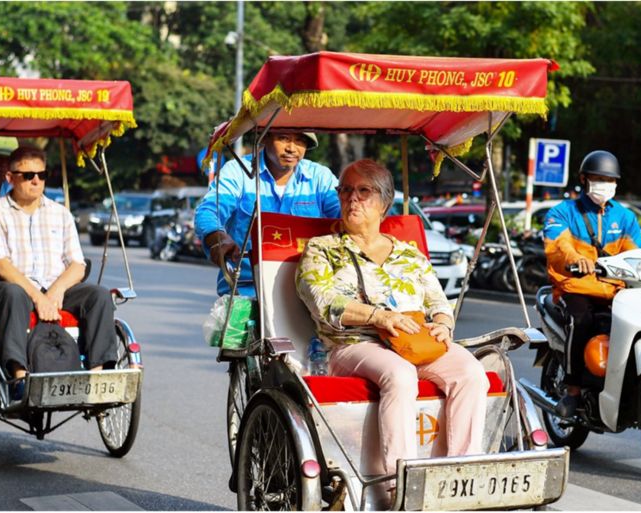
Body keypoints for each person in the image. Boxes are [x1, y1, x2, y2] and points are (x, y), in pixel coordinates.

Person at [296, 159, 488, 483]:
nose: (351, 198)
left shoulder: (410, 254)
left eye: (363, 191)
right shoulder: (322, 249)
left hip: (414, 341)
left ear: (384, 202)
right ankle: (399, 485)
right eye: (345, 190)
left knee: (472, 373)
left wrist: (443, 323)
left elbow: (439, 302)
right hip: (355, 344)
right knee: (400, 375)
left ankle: (458, 478)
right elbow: (323, 302)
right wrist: (380, 316)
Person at [0, 146, 116, 397]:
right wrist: (38, 297)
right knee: (14, 294)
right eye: (28, 175)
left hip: (54, 286)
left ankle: (97, 378)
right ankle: (19, 378)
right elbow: (0, 265)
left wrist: (56, 290)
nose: (36, 180)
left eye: (41, 175)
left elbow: (77, 264)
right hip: (9, 287)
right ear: (10, 178)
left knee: (99, 295)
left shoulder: (61, 214)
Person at [543, 150, 641, 417]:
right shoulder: (562, 212)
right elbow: (557, 246)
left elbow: (637, 253)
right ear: (584, 179)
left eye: (609, 180)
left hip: (613, 290)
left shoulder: (625, 217)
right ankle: (573, 392)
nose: (603, 184)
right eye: (597, 178)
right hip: (574, 288)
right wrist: (575, 257)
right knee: (582, 320)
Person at [195, 132, 340, 296]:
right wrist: (220, 238)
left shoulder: (320, 177)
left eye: (300, 140)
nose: (292, 148)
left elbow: (344, 215)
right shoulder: (238, 171)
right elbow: (208, 211)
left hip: (307, 289)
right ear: (264, 138)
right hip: (248, 288)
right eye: (284, 138)